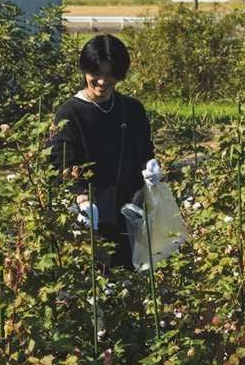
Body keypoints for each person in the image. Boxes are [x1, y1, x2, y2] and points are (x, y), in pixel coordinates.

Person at [48, 34, 161, 267]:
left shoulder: (131, 109)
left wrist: (151, 166)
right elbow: (61, 164)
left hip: (131, 216)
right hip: (93, 218)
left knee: (132, 282)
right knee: (96, 282)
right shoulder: (70, 114)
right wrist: (81, 199)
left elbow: (144, 151)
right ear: (84, 71)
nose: (102, 81)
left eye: (110, 74)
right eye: (96, 73)